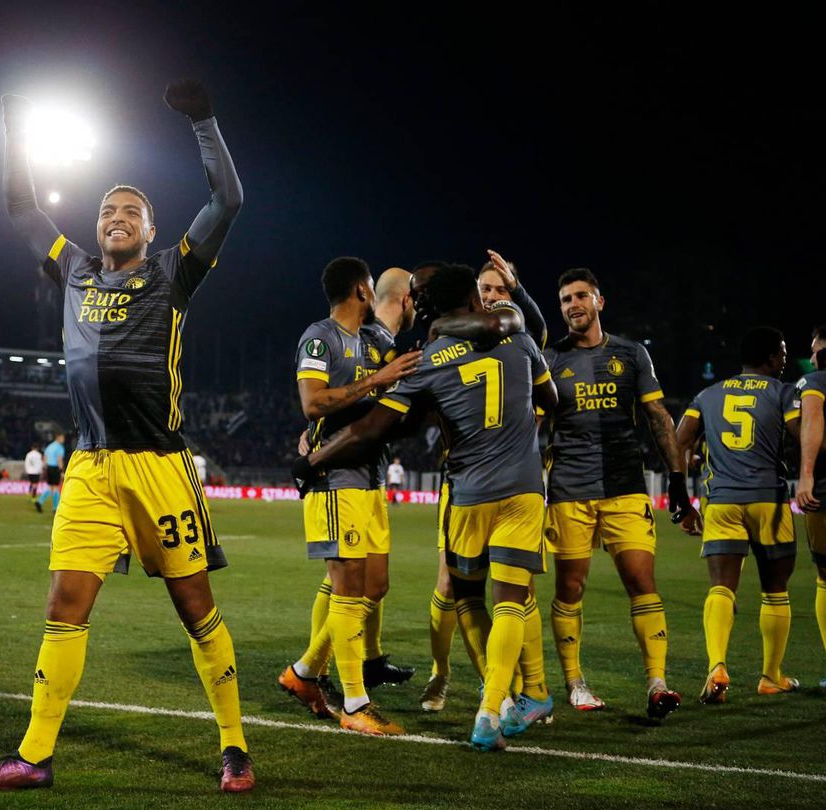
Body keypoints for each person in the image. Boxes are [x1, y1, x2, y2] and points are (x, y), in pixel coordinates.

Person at [0, 79, 253, 793]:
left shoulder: (175, 272)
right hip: (90, 470)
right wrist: (15, 123)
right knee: (65, 604)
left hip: (159, 468)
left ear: (153, 231)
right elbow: (22, 205)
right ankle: (34, 757)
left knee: (194, 608)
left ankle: (236, 747)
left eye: (133, 211)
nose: (118, 216)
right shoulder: (73, 269)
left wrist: (204, 120)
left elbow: (229, 202)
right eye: (107, 210)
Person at [294, 264, 558, 751]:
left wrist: (313, 460)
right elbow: (552, 397)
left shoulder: (431, 356)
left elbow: (376, 427)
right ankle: (496, 704)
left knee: (449, 594)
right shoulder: (518, 339)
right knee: (512, 602)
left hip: (466, 492)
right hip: (523, 486)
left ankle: (320, 676)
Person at [278, 260, 421, 736]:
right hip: (335, 479)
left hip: (372, 477)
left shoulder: (377, 341)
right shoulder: (320, 338)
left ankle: (303, 674)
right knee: (348, 590)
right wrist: (374, 382)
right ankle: (356, 704)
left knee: (372, 586)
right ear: (362, 288)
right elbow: (313, 403)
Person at [541, 268, 688, 718]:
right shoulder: (550, 359)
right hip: (569, 487)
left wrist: (678, 481)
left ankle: (657, 683)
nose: (572, 305)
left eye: (581, 296)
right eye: (565, 299)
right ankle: (575, 681)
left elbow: (658, 418)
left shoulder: (631, 353)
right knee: (571, 586)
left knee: (642, 583)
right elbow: (532, 421)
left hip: (625, 484)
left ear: (599, 302)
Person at [418, 250, 549, 713]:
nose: (492, 296)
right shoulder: (451, 344)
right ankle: (449, 673)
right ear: (473, 296)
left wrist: (519, 291)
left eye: (500, 290)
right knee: (452, 586)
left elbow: (536, 332)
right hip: (465, 481)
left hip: (513, 476)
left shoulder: (518, 338)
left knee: (516, 590)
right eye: (486, 289)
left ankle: (525, 688)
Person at [676, 327, 803, 702]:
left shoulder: (707, 394)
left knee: (721, 586)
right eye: (781, 353)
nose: (784, 359)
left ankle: (717, 664)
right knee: (775, 591)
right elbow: (801, 432)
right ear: (768, 357)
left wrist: (683, 502)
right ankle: (770, 676)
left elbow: (678, 441)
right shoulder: (783, 392)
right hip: (769, 500)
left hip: (723, 502)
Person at [794, 325, 826, 687]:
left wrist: (805, 475)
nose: (812, 355)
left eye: (816, 349)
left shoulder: (815, 382)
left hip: (825, 489)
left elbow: (813, 417)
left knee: (825, 576)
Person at [34, 434, 66, 513]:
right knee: (56, 488)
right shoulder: (60, 447)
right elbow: (59, 459)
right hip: (55, 468)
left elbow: (45, 457)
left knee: (51, 487)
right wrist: (61, 471)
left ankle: (40, 501)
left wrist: (45, 467)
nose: (63, 439)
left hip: (48, 468)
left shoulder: (49, 446)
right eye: (62, 438)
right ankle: (55, 508)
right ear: (58, 437)